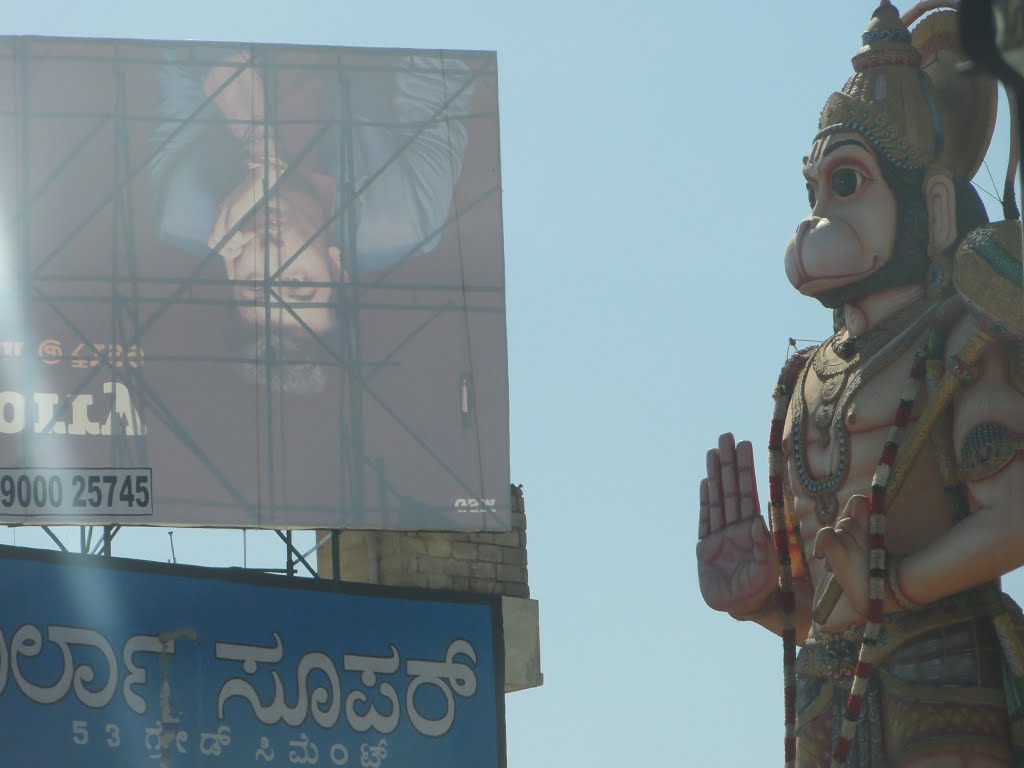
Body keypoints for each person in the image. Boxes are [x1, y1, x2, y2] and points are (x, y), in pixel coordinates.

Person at [696, 3, 1024, 766]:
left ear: (932, 206)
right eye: (814, 190)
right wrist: (763, 599)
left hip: (944, 681)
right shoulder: (804, 381)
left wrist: (900, 587)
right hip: (829, 699)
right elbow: (823, 600)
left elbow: (1012, 519)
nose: (819, 216)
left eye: (847, 183)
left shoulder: (962, 345)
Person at [148, 44, 475, 388]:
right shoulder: (410, 218)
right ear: (336, 269)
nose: (269, 254)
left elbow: (183, 50)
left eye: (254, 285)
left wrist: (260, 149)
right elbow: (440, 54)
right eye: (298, 284)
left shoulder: (182, 208)